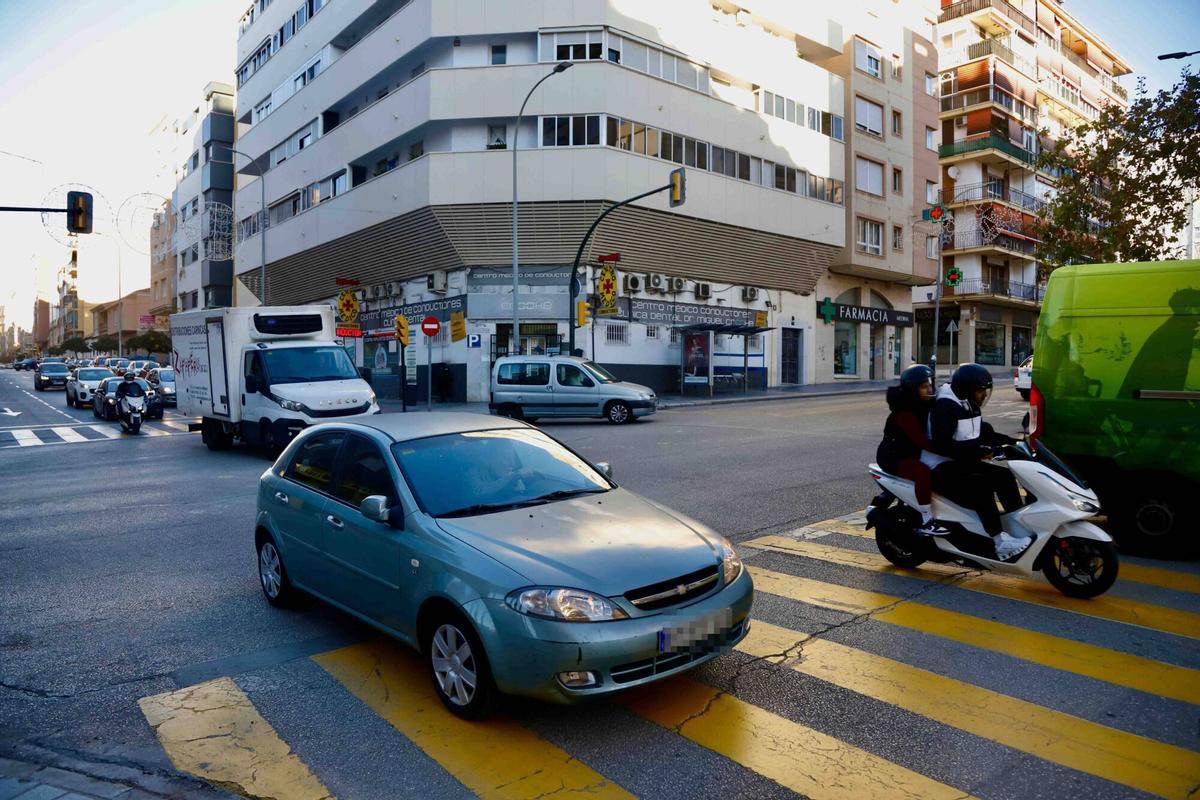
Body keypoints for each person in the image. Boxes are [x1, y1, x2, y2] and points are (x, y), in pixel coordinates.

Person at [924, 363, 1026, 559]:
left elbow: (982, 433)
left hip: (960, 461)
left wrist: (1017, 444)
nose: (983, 396)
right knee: (980, 485)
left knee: (1004, 476)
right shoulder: (944, 407)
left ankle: (1017, 529)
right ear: (966, 389)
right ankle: (999, 542)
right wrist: (979, 452)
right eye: (980, 391)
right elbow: (943, 446)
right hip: (939, 467)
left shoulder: (967, 402)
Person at [876, 365, 949, 536]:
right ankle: (927, 519)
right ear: (912, 389)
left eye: (931, 383)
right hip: (894, 457)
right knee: (922, 473)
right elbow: (922, 441)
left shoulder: (924, 403)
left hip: (911, 452)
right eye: (924, 386)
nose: (930, 388)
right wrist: (952, 450)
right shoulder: (905, 412)